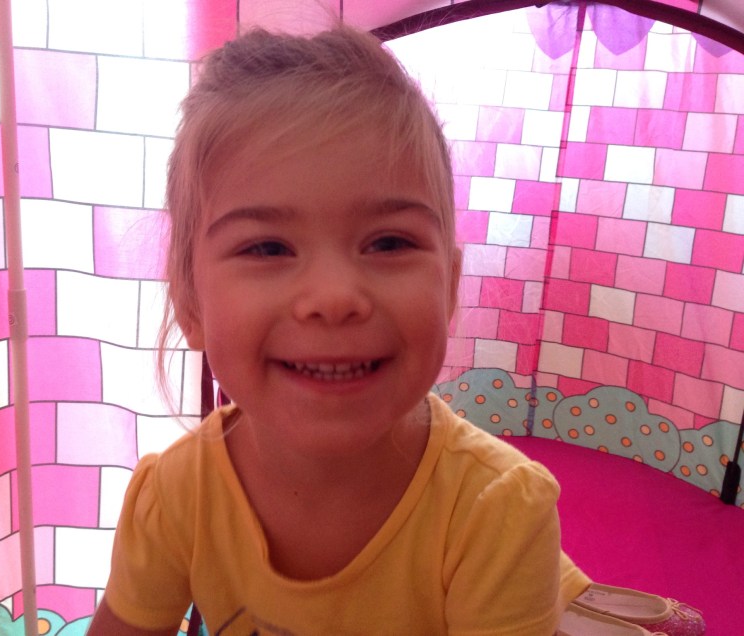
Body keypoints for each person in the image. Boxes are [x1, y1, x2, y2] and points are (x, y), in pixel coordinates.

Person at [88, 23, 590, 635]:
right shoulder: (175, 497)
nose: (334, 298)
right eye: (268, 248)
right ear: (189, 302)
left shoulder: (496, 511)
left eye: (388, 242)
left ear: (451, 287)